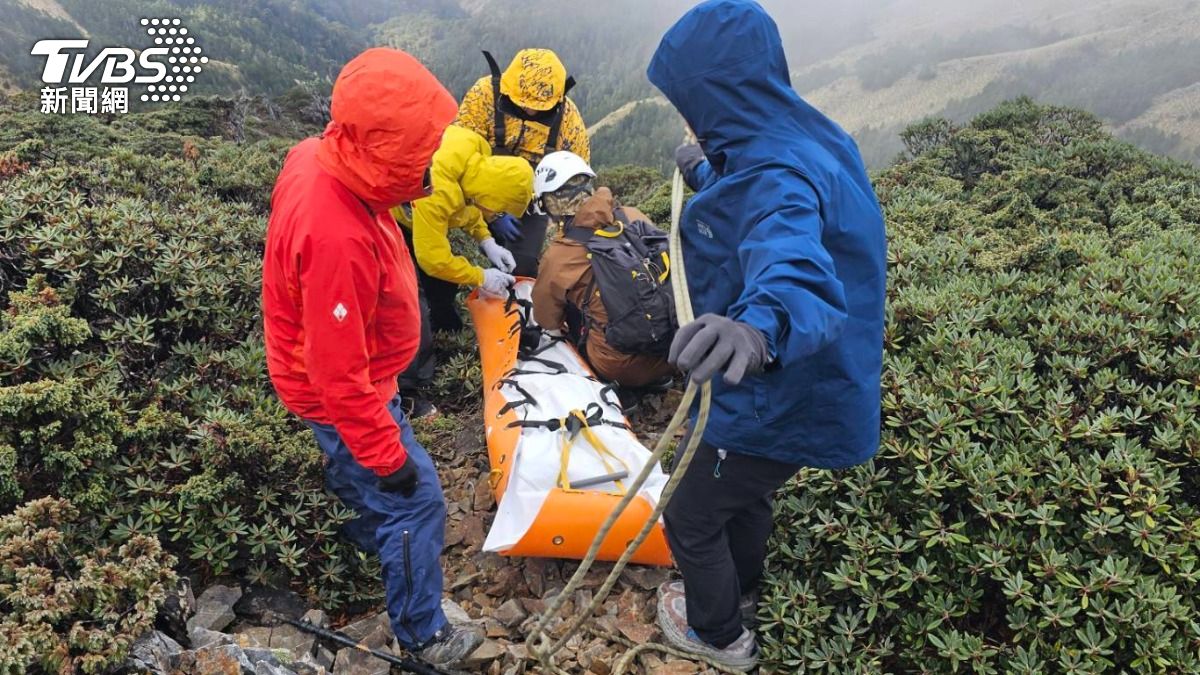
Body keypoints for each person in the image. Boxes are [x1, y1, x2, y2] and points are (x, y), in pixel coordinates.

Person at [645, 0, 887, 670]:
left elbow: (794, 264)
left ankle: (721, 634)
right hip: (809, 386)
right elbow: (763, 192)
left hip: (776, 385)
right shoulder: (805, 137)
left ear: (716, 92)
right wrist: (704, 169)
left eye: (689, 98)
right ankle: (742, 588)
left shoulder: (776, 173)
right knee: (741, 488)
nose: (686, 114)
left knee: (688, 510)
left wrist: (757, 327)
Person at [261, 48, 483, 667]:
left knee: (365, 479)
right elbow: (338, 377)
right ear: (386, 151)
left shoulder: (320, 155)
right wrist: (389, 459)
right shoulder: (337, 238)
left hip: (330, 374)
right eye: (424, 152)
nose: (434, 167)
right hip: (344, 390)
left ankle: (368, 532)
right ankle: (423, 635)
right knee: (418, 500)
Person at [391, 124, 534, 413]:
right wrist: (480, 276)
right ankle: (407, 388)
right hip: (390, 214)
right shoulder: (437, 190)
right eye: (496, 209)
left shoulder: (475, 149)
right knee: (406, 301)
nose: (494, 214)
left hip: (421, 213)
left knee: (443, 286)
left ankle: (446, 335)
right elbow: (433, 258)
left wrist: (486, 240)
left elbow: (469, 207)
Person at [530, 151, 675, 388]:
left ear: (551, 203)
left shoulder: (559, 255)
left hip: (621, 367)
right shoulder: (631, 216)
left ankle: (620, 390)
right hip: (677, 348)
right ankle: (660, 375)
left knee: (574, 307)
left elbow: (547, 320)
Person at [455, 48, 590, 277]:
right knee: (461, 254)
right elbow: (458, 157)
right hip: (476, 188)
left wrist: (564, 242)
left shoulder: (568, 120)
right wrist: (491, 213)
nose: (531, 110)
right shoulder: (485, 95)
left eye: (540, 107)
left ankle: (510, 308)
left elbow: (574, 186)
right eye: (523, 104)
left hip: (531, 202)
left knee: (522, 267)